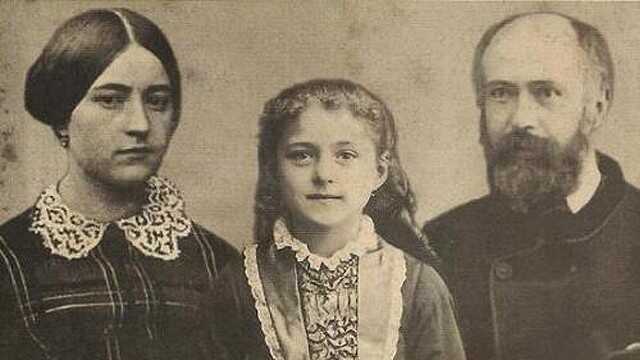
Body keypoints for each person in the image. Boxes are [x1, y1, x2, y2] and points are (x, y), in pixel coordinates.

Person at [0, 8, 238, 359]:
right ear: (62, 117)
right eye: (110, 100)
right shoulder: (10, 260)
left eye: (157, 102)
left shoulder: (219, 264)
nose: (140, 124)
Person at [423, 12, 640, 360]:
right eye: (501, 94)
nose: (521, 118)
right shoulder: (441, 244)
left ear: (596, 106)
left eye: (546, 93)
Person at [206, 79, 465, 360]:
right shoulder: (239, 285)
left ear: (378, 171)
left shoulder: (417, 287)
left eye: (345, 155)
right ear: (273, 169)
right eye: (301, 155)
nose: (324, 174)